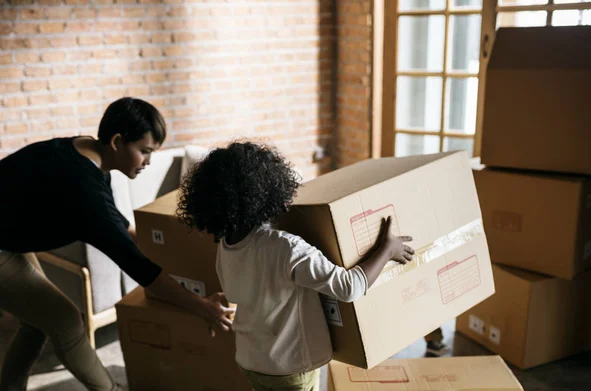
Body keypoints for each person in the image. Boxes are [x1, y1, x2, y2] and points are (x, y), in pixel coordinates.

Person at [0, 97, 234, 391]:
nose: (148, 161)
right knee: (66, 322)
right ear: (117, 141)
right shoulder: (84, 192)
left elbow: (121, 228)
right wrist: (202, 308)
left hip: (9, 234)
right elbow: (141, 270)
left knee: (37, 322)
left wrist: (181, 255)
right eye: (144, 151)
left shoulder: (87, 152)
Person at [177, 141, 415, 391]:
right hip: (290, 367)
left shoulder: (226, 247)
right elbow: (348, 287)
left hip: (251, 362)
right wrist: (387, 250)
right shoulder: (285, 248)